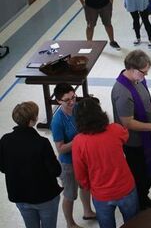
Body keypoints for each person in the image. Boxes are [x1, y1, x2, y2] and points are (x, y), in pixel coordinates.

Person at [111, 50, 151, 210]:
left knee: (149, 167)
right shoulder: (122, 92)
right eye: (144, 72)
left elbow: (144, 97)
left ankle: (143, 197)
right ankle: (140, 202)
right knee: (140, 175)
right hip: (135, 142)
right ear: (132, 69)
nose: (146, 75)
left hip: (146, 134)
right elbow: (127, 123)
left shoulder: (137, 80)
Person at [72, 98, 139, 228]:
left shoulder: (78, 142)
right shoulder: (116, 129)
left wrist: (87, 185)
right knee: (133, 223)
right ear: (100, 113)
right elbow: (125, 137)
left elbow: (80, 173)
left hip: (101, 193)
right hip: (125, 187)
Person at [0, 101, 62, 228]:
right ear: (33, 120)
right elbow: (56, 171)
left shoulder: (5, 140)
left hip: (20, 195)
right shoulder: (41, 143)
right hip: (45, 196)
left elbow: (2, 167)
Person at [51, 83, 96, 228]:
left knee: (85, 186)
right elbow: (61, 148)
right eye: (67, 100)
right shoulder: (57, 121)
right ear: (58, 101)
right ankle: (70, 224)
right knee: (70, 195)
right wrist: (79, 139)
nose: (72, 102)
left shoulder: (77, 109)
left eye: (73, 97)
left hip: (83, 158)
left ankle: (88, 211)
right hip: (68, 163)